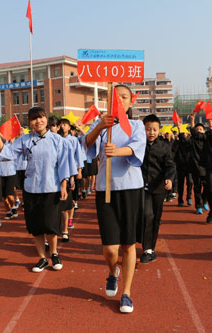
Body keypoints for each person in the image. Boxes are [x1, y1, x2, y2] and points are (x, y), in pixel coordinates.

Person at [83, 84, 146, 313]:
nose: (120, 101)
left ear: (131, 101)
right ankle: (113, 272)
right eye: (115, 97)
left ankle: (126, 293)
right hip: (105, 189)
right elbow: (85, 145)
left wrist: (116, 151)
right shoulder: (100, 126)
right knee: (110, 249)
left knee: (128, 244)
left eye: (124, 97)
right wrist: (100, 125)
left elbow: (137, 149)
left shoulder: (137, 126)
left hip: (130, 189)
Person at [0, 107, 70, 273]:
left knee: (50, 226)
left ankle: (55, 253)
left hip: (52, 188)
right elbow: (7, 154)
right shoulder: (24, 140)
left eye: (41, 117)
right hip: (31, 189)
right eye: (34, 119)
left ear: (46, 118)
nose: (38, 121)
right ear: (29, 122)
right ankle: (42, 258)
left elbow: (64, 163)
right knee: (36, 227)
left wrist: (64, 185)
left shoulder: (57, 140)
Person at [139, 114, 175, 263]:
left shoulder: (164, 146)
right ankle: (146, 248)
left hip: (158, 187)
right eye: (148, 129)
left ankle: (150, 248)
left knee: (156, 218)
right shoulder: (138, 144)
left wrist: (169, 179)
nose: (151, 132)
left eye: (154, 129)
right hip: (141, 187)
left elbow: (170, 165)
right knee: (147, 215)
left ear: (159, 130)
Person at [59, 118, 84, 236]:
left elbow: (79, 155)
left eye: (65, 124)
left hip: (72, 172)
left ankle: (69, 219)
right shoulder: (57, 139)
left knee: (72, 199)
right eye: (61, 124)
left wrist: (79, 171)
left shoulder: (73, 140)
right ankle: (64, 222)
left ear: (69, 127)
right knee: (63, 199)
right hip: (60, 173)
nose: (63, 126)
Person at [189, 113, 209, 214]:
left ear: (204, 131)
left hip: (206, 167)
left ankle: (204, 201)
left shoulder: (207, 139)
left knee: (207, 186)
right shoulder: (194, 140)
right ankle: (198, 206)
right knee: (197, 187)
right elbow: (192, 130)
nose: (199, 132)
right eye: (197, 130)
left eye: (201, 129)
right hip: (195, 166)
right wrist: (192, 120)